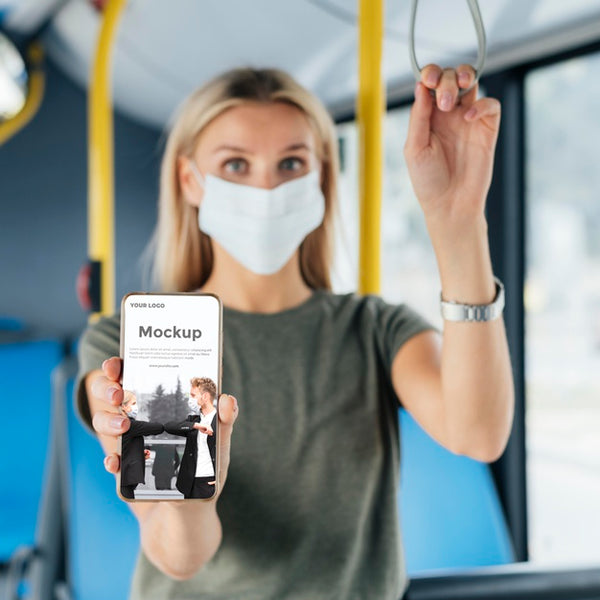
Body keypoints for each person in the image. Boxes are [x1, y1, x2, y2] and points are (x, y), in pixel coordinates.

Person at [77, 65, 514, 599]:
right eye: (235, 164)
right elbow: (180, 556)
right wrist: (194, 482)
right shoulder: (126, 343)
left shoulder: (376, 329)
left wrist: (459, 220)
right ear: (191, 180)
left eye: (291, 163)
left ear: (319, 180)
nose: (266, 187)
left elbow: (478, 433)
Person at [163, 377, 218, 499]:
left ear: (205, 397)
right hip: (190, 482)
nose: (190, 399)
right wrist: (195, 425)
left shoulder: (220, 421)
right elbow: (169, 426)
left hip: (209, 482)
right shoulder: (193, 421)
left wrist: (222, 479)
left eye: (193, 395)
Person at [119, 390, 165, 499]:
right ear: (123, 407)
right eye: (133, 403)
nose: (136, 407)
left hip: (123, 479)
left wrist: (139, 454)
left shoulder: (120, 424)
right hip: (124, 480)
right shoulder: (129, 425)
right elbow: (157, 428)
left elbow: (124, 449)